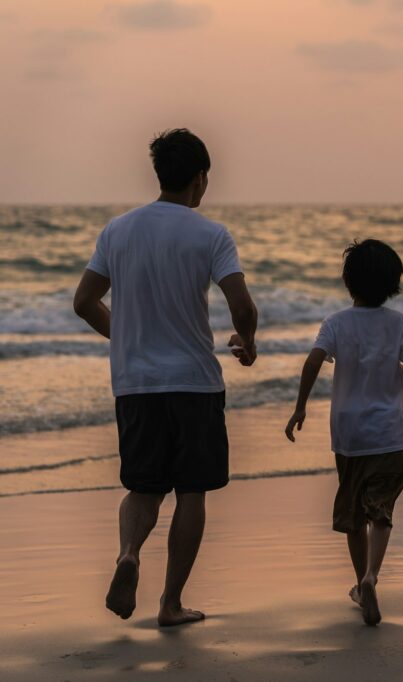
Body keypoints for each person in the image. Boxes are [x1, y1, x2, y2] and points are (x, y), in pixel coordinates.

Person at [72, 128, 259, 627]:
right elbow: (241, 304)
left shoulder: (118, 231)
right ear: (200, 179)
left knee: (143, 486)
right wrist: (248, 343)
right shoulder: (211, 235)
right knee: (191, 491)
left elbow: (83, 302)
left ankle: (130, 553)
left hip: (136, 383)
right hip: (194, 382)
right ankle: (171, 603)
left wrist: (126, 337)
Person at [285, 239, 403, 627]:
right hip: (391, 436)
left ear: (349, 281)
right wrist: (396, 366)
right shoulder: (399, 323)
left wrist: (300, 407)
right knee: (380, 511)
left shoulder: (335, 323)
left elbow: (313, 361)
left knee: (353, 511)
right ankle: (371, 577)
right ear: (393, 283)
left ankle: (357, 578)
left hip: (349, 436)